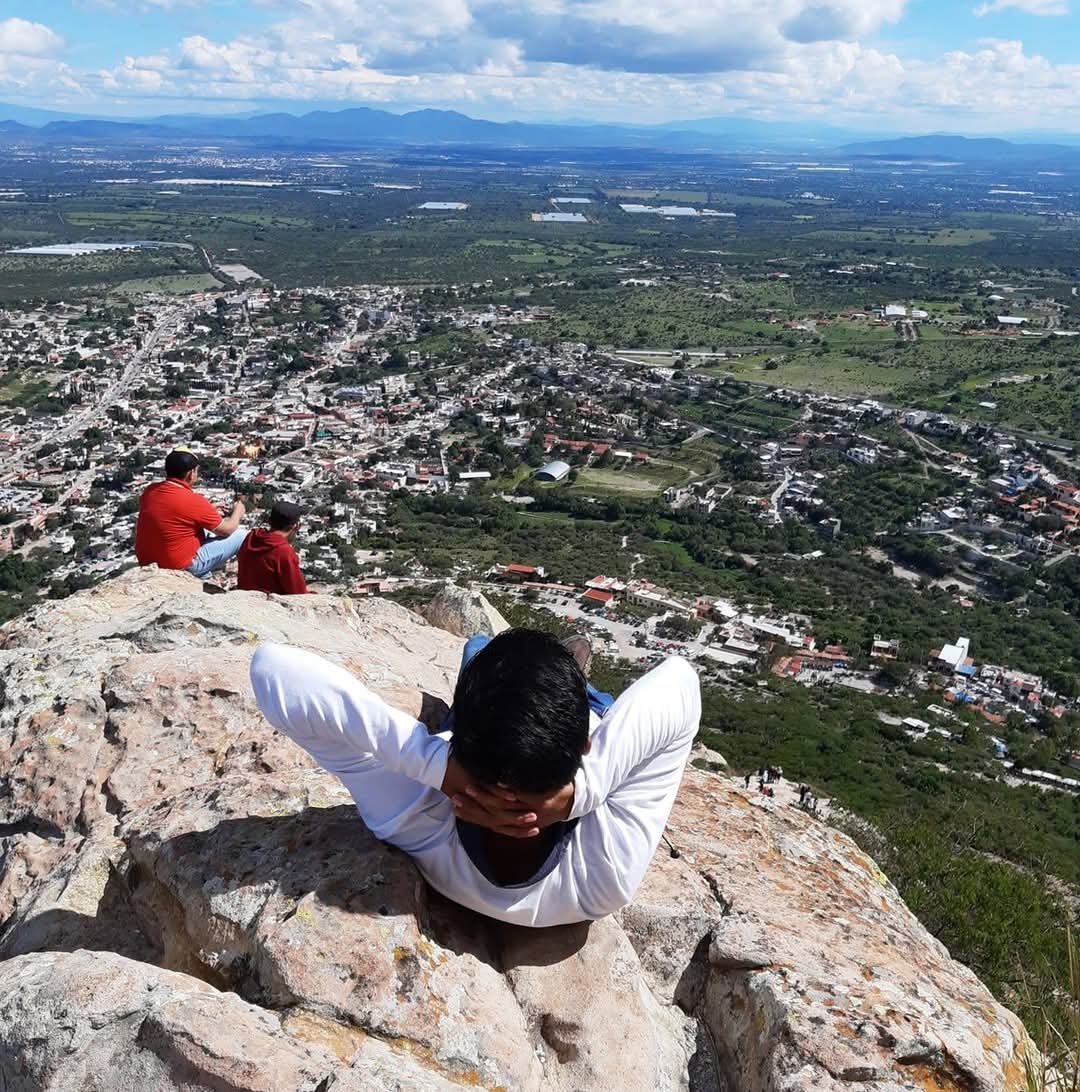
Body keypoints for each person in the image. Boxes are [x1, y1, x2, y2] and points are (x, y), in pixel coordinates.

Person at [249, 628, 700, 928]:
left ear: (454, 734)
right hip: (573, 725)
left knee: (486, 656)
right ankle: (572, 677)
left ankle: (503, 657)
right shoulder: (602, 879)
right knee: (564, 688)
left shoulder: (415, 814)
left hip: (486, 730)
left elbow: (272, 670)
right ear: (587, 750)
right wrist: (583, 792)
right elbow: (680, 680)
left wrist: (436, 767)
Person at [134, 450, 247, 578]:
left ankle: (204, 577)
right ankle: (246, 582)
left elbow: (173, 515)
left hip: (148, 562)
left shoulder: (150, 491)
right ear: (190, 473)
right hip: (180, 566)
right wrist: (238, 512)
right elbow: (226, 530)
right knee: (242, 535)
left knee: (205, 531)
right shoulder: (192, 500)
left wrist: (208, 509)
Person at [237, 500, 308, 596]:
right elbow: (297, 593)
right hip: (269, 603)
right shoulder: (284, 552)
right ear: (295, 526)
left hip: (244, 596)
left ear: (270, 520)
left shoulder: (252, 536)